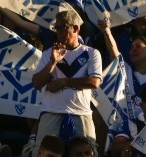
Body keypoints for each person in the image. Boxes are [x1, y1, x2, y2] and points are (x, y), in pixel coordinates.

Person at [31, 8, 103, 145]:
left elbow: (94, 82)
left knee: (87, 154)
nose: (58, 32)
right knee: (44, 154)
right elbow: (36, 83)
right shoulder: (48, 53)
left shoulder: (92, 53)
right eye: (56, 28)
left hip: (81, 113)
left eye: (62, 28)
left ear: (75, 28)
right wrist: (53, 62)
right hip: (51, 112)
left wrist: (63, 82)